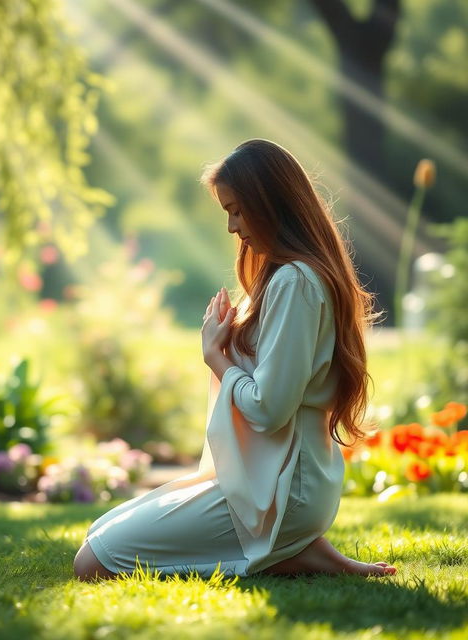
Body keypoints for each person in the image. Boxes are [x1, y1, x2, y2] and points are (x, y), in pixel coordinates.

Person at [73, 139, 397, 582]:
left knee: (94, 562)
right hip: (269, 479)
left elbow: (268, 407)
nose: (231, 226)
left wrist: (216, 358)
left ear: (272, 204)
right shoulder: (286, 278)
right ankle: (298, 551)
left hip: (281, 489)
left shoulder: (295, 282)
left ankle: (289, 543)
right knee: (101, 531)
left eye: (238, 210)